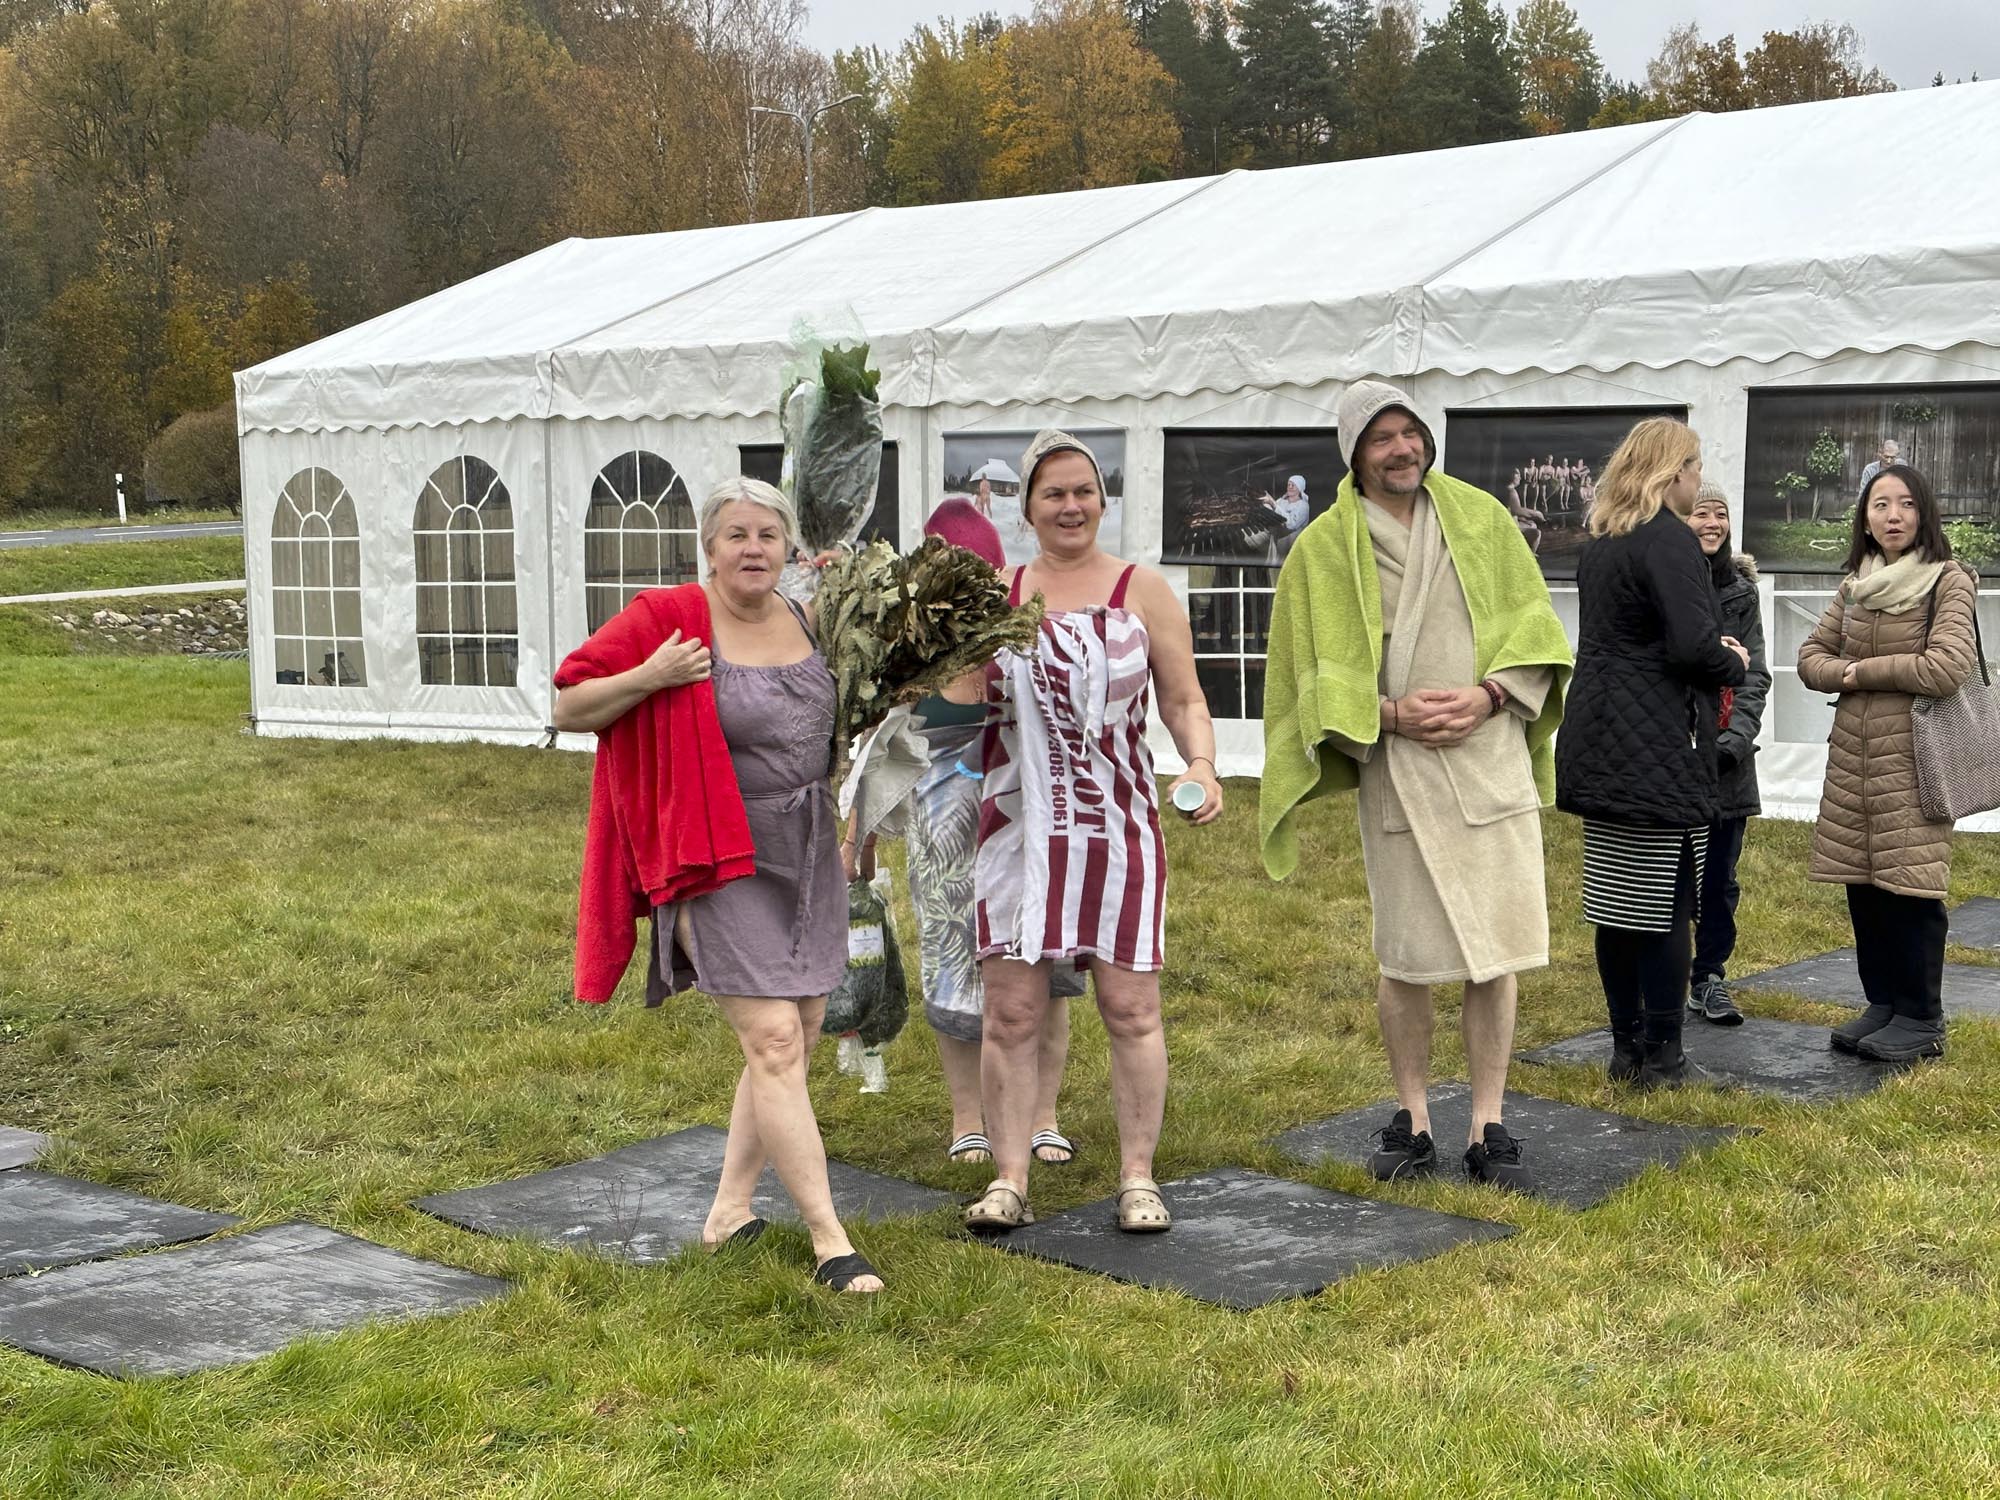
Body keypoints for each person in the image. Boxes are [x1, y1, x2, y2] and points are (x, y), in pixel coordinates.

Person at [552, 477, 882, 1295]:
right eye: (736, 534)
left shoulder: (808, 616)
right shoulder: (668, 618)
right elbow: (567, 703)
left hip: (804, 849)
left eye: (768, 535)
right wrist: (655, 675)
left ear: (789, 547)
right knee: (773, 1040)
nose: (752, 549)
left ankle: (728, 1212)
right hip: (714, 852)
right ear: (709, 544)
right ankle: (831, 1242)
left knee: (797, 1034)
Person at [1260, 382, 1573, 1191]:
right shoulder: (1322, 549)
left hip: (1486, 751)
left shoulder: (1481, 519)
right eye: (1381, 438)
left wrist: (1489, 695)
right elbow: (1304, 676)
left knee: (1493, 950)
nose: (1401, 448)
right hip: (1397, 765)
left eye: (1410, 433)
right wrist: (1390, 714)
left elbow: (1536, 628)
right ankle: (1414, 1116)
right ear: (1354, 454)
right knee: (1403, 956)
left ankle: (1488, 1120)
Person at [961, 430, 1223, 1236]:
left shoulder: (1143, 590)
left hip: (1120, 827)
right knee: (1010, 1012)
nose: (1069, 506)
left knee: (1131, 1007)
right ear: (1028, 508)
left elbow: (1182, 698)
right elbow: (960, 698)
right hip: (1015, 829)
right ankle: (1008, 1177)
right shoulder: (996, 593)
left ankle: (1137, 1176)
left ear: (1101, 500)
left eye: (1083, 491)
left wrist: (1203, 764)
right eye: (1053, 494)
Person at [872, 498, 1083, 1170]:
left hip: (1029, 823)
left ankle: (1043, 1115)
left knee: (1043, 970)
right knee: (952, 966)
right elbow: (877, 746)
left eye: (981, 573)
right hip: (945, 833)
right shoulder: (907, 647)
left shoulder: (1027, 632)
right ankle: (970, 1120)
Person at [1555, 419, 1748, 1089]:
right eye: (1694, 468)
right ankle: (1664, 1058)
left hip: (1600, 733)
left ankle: (1624, 1049)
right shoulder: (1669, 539)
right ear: (1673, 472)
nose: (1698, 483)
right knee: (1666, 905)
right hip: (1659, 742)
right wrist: (1733, 661)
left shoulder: (1602, 541)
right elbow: (1693, 647)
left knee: (1616, 903)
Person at [1798, 463, 1979, 1062]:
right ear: (1866, 518)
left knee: (1912, 885)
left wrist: (1858, 673)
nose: (1893, 515)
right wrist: (1842, 671)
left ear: (1923, 512)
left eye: (1904, 504)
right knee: (1864, 884)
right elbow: (1810, 658)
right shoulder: (1857, 583)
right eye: (1880, 505)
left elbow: (1945, 667)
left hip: (1916, 757)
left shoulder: (1949, 580)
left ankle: (1923, 1017)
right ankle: (1884, 1003)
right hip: (1854, 756)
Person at [1685, 482, 1769, 1026]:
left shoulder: (1742, 591)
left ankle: (1709, 976)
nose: (1711, 522)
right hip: (1670, 753)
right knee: (1665, 876)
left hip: (1727, 765)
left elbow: (1755, 674)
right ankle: (1663, 978)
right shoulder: (1663, 581)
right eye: (1699, 513)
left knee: (1719, 877)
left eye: (1719, 514)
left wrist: (1732, 743)